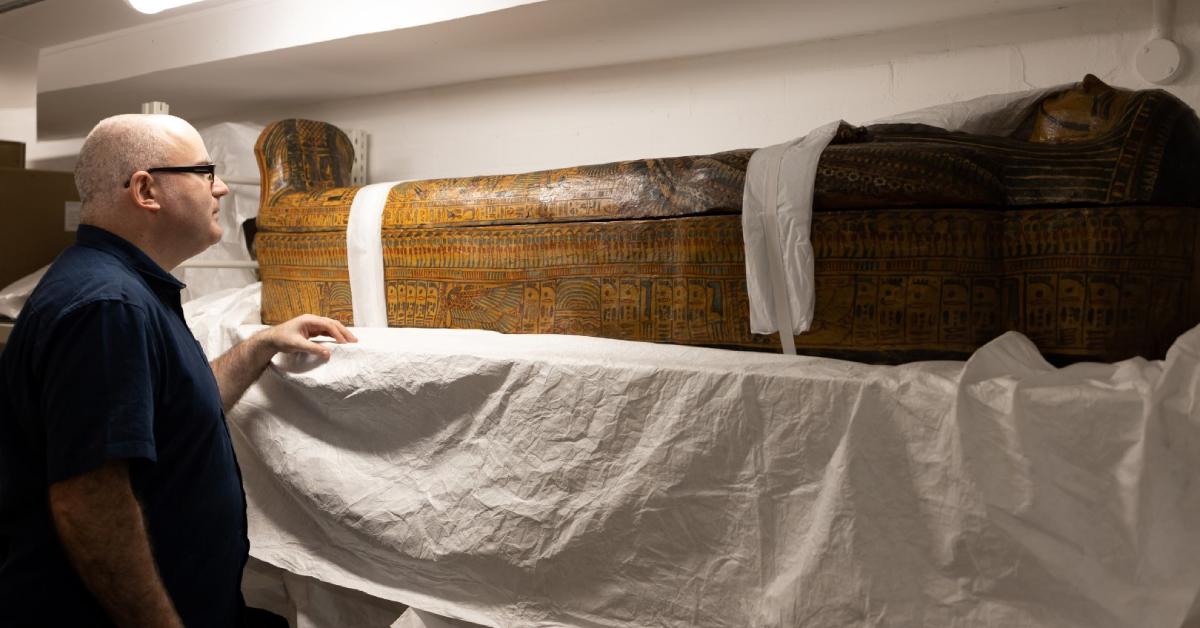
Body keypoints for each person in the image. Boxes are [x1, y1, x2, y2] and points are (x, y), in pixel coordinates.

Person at [0, 114, 357, 627]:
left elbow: (171, 413)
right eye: (205, 172)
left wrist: (261, 344)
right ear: (146, 190)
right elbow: (89, 503)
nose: (223, 188)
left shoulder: (126, 290)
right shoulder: (108, 307)